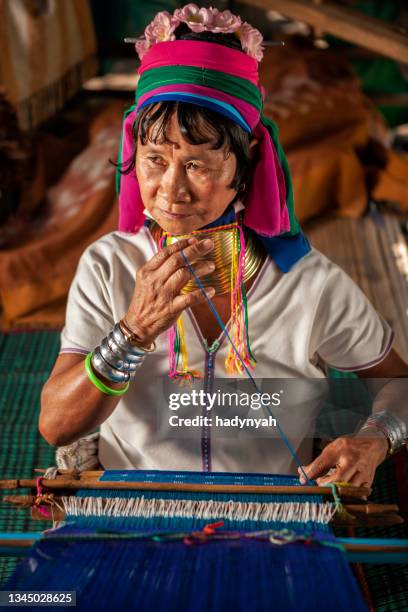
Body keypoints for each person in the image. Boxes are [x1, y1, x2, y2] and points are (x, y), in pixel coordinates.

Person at [39, 4, 408, 486]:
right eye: (154, 159)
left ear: (247, 164)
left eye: (198, 165)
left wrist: (377, 437)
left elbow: (397, 383)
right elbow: (56, 425)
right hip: (138, 513)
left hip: (271, 519)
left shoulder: (306, 282)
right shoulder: (109, 266)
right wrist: (134, 330)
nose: (171, 190)